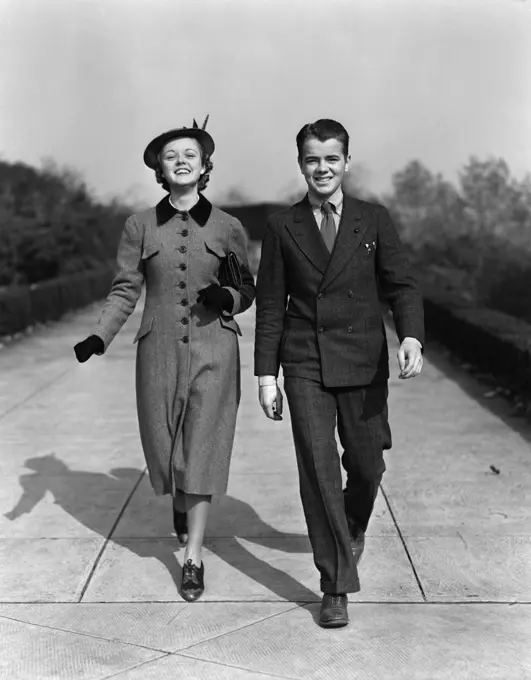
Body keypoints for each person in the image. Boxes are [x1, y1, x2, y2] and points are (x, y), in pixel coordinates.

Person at [74, 118, 255, 602]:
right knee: (166, 448)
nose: (181, 161)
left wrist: (229, 297)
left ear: (204, 166)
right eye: (171, 155)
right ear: (160, 166)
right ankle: (180, 499)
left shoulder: (228, 227)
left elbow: (247, 286)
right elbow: (125, 288)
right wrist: (100, 336)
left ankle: (193, 557)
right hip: (156, 352)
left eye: (190, 154)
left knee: (202, 449)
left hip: (216, 348)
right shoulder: (138, 226)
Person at [254, 119, 424, 628]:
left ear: (347, 162)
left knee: (368, 465)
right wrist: (267, 376)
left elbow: (402, 285)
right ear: (301, 164)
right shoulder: (282, 226)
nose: (321, 168)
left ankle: (351, 523)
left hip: (363, 360)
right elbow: (269, 308)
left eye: (331, 158)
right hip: (304, 359)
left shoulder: (373, 219)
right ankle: (335, 585)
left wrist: (411, 335)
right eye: (312, 159)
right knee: (318, 469)